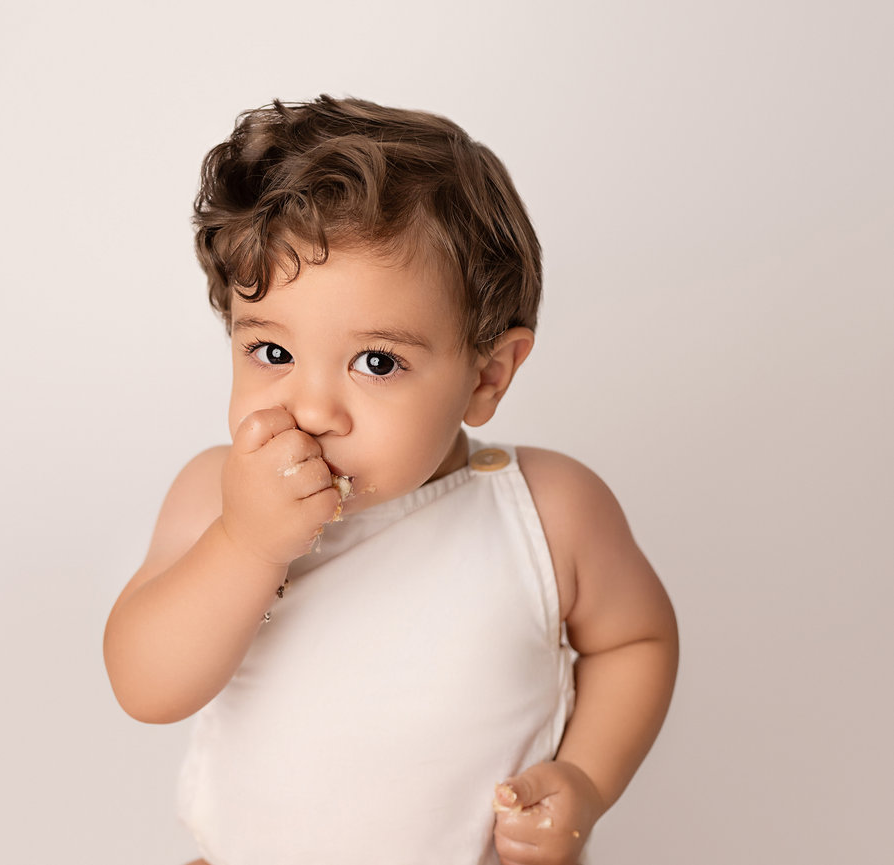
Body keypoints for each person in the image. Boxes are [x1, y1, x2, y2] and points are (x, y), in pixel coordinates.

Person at [103, 95, 678, 865]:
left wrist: (585, 777)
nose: (311, 407)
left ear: (487, 375)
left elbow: (635, 641)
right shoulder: (216, 498)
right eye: (271, 352)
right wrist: (244, 543)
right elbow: (145, 686)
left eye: (376, 362)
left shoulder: (546, 511)